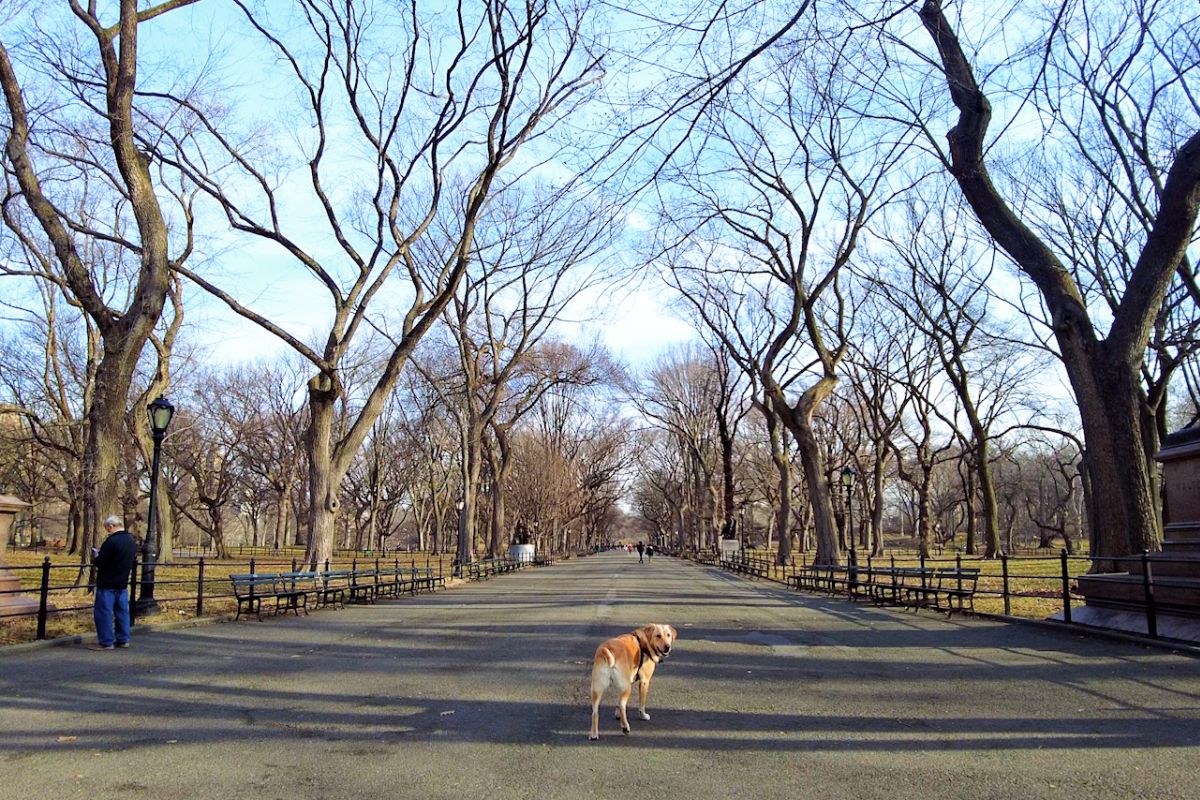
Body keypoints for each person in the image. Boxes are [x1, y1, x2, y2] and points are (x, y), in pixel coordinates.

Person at [90, 515, 137, 650]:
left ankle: (106, 642)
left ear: (111, 526)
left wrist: (96, 557)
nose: (107, 530)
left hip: (107, 582)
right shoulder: (130, 540)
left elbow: (101, 561)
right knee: (122, 612)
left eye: (107, 528)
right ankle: (123, 639)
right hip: (122, 582)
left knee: (104, 612)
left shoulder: (111, 541)